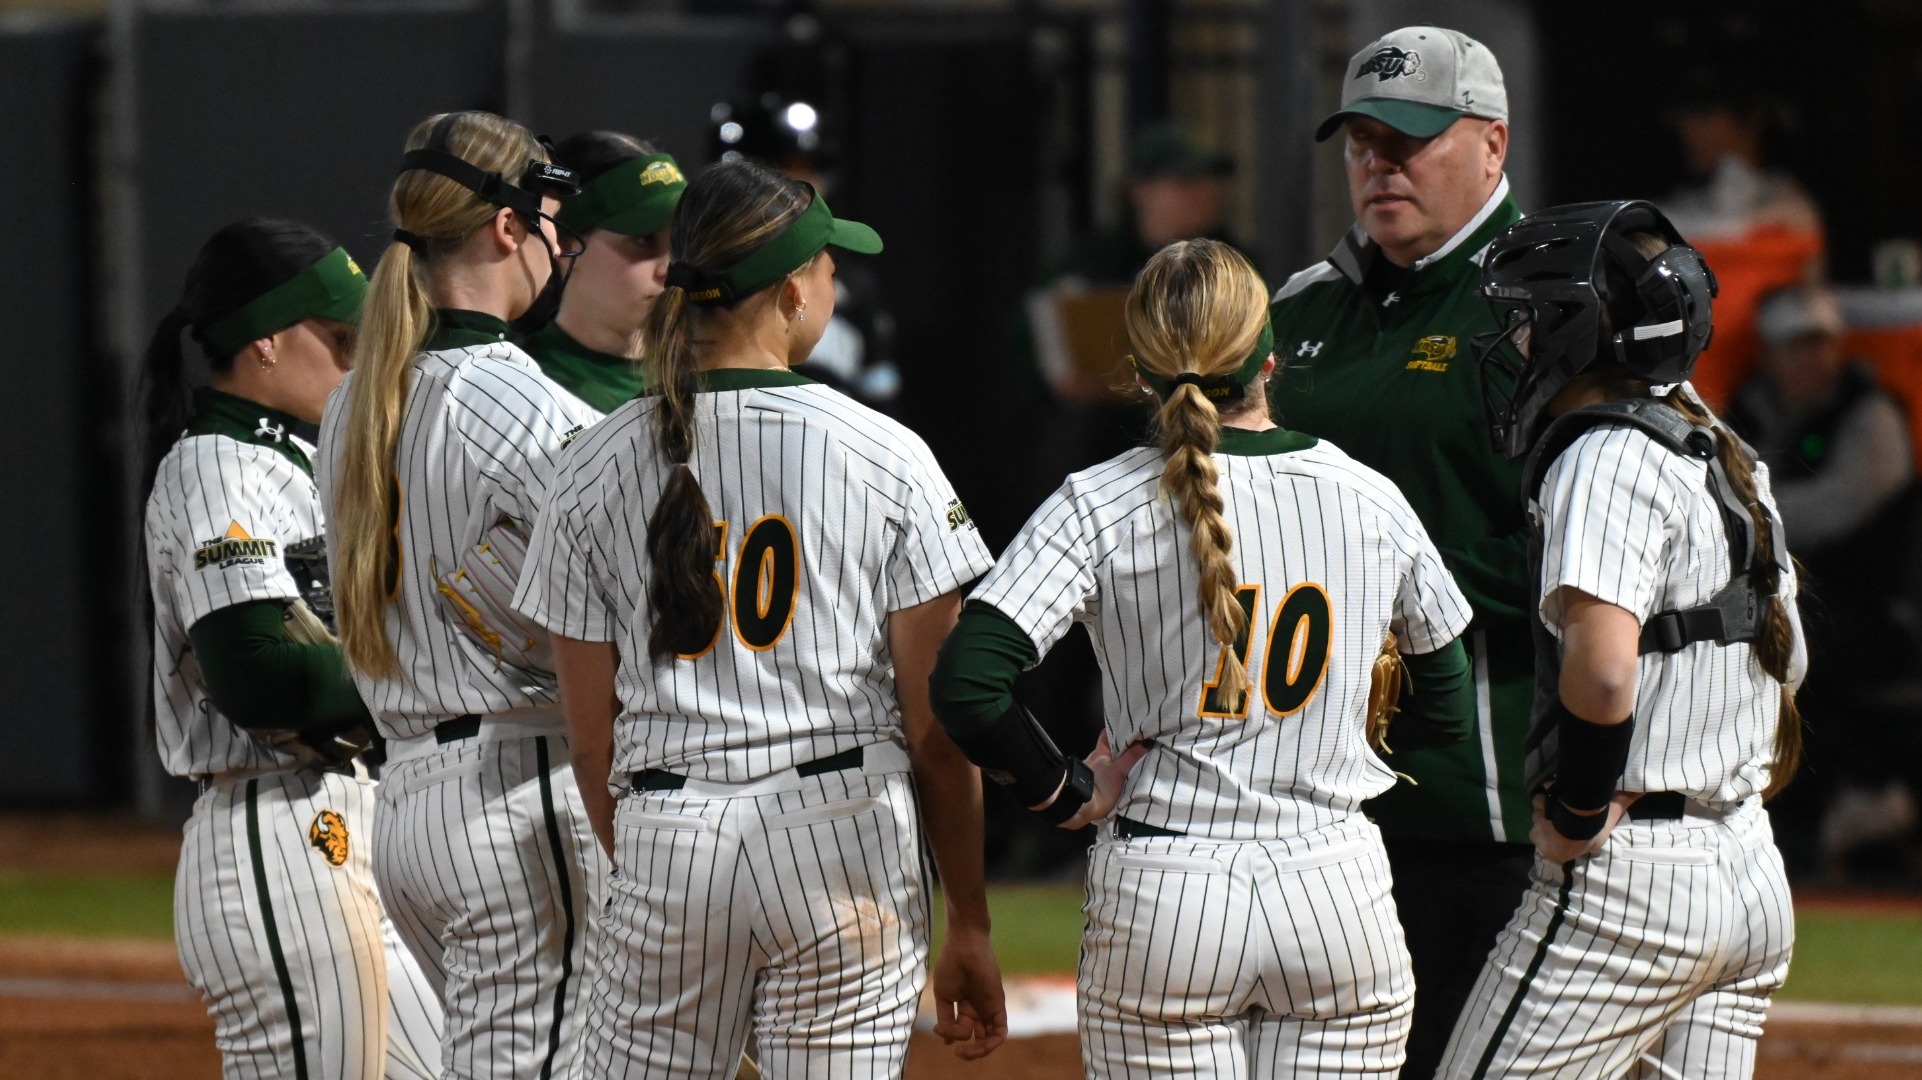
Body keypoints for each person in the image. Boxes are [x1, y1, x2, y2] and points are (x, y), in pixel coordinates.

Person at [931, 237, 1476, 1077]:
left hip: (1165, 885)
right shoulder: (1373, 497)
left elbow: (968, 683)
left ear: (1142, 374)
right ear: (1269, 356)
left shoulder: (1099, 500)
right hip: (1336, 884)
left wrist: (1067, 788)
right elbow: (1447, 705)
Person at [511, 160, 1008, 1075]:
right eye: (827, 267)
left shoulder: (590, 462)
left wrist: (660, 873)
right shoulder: (886, 453)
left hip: (668, 831)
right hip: (842, 836)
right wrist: (968, 919)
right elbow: (936, 731)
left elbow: (591, 744)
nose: (836, 283)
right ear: (789, 293)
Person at [1438, 199, 1802, 1078]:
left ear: (1579, 330)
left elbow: (1603, 676)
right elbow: (1788, 660)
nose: (1517, 342)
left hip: (1634, 884)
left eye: (1530, 320)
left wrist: (1577, 808)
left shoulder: (1604, 454)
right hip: (1750, 869)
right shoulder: (1720, 448)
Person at [1265, 25, 1530, 1076]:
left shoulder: (1542, 312)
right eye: (1361, 141)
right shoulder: (1301, 307)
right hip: (1301, 789)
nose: (1381, 164)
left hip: (1476, 786)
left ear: (1491, 146)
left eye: (1410, 139)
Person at [316, 110, 604, 1078]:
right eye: (552, 217)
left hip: (409, 807)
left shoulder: (357, 398)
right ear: (507, 228)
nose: (561, 243)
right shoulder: (509, 393)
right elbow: (632, 585)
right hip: (516, 788)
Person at [140, 217, 441, 1078]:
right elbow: (265, 677)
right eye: (340, 339)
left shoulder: (304, 463)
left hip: (346, 822)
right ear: (264, 344)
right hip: (279, 832)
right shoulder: (217, 465)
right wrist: (434, 660)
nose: (359, 361)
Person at [1727, 284, 1921, 877]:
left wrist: (1752, 506)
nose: (1813, 360)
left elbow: (1843, 507)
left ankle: (1827, 824)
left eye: (1822, 344)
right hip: (1783, 603)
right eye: (1797, 346)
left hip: (1873, 612)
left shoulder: (1870, 414)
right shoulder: (1746, 411)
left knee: (1798, 662)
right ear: (1769, 354)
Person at [519, 131, 683, 414]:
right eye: (643, 239)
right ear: (566, 247)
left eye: (681, 240)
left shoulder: (710, 369)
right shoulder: (525, 388)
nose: (670, 268)